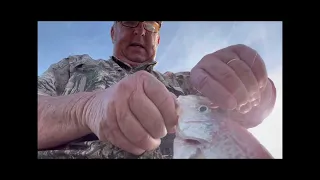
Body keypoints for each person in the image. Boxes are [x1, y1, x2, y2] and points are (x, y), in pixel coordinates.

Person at [37, 21, 277, 159]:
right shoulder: (73, 66)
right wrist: (86, 108)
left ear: (158, 39)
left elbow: (246, 114)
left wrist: (256, 89)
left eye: (151, 25)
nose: (140, 31)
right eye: (130, 21)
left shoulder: (186, 84)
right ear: (113, 32)